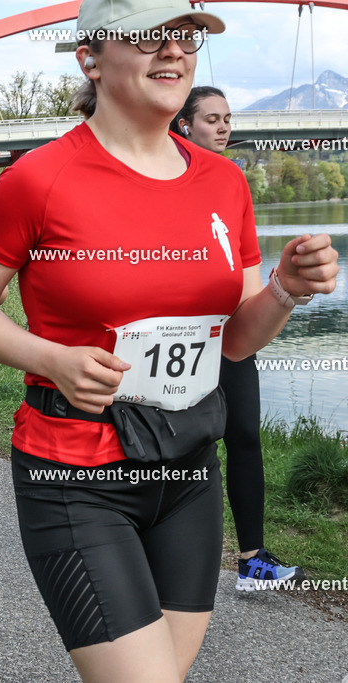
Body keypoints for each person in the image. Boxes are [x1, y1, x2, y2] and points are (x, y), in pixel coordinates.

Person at [0, 0, 339, 678]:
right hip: (75, 473)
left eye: (184, 37)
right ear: (89, 58)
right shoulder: (38, 179)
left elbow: (234, 343)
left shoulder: (224, 182)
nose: (174, 51)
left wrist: (285, 291)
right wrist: (50, 358)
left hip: (186, 471)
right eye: (149, 36)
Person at [172, 86, 306, 590]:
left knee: (245, 437)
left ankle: (253, 559)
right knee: (188, 443)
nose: (224, 127)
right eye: (212, 119)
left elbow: (246, 265)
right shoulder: (161, 175)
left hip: (230, 336)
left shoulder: (232, 181)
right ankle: (173, 555)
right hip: (179, 339)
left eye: (228, 118)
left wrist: (278, 296)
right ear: (184, 124)